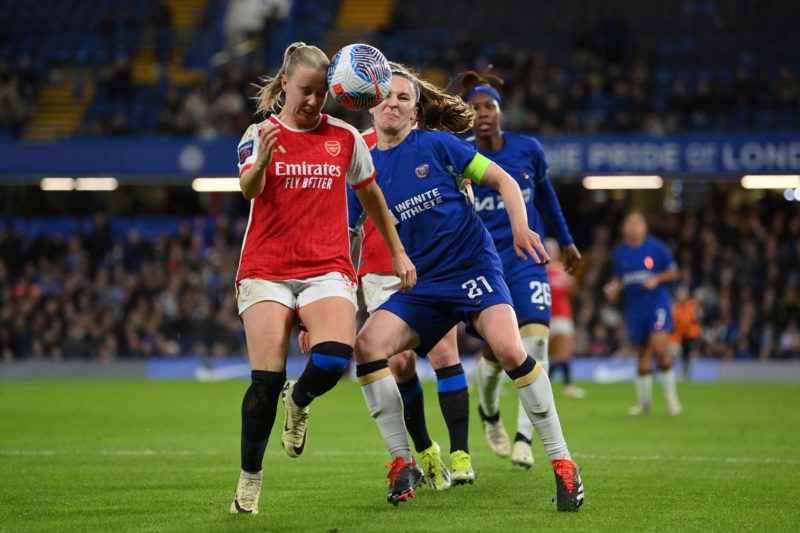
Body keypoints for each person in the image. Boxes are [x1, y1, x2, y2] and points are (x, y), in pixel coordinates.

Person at [351, 63, 584, 511]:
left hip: (473, 268)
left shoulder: (438, 145)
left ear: (415, 111)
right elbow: (348, 234)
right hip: (424, 283)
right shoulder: (363, 169)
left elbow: (503, 180)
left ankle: (563, 463)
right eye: (386, 96)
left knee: (514, 351)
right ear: (371, 106)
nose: (393, 103)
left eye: (403, 97)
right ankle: (403, 461)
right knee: (367, 346)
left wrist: (519, 227)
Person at [229, 42, 415, 515]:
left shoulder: (346, 138)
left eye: (320, 93)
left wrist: (397, 252)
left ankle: (302, 396)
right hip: (266, 269)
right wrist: (264, 162)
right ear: (285, 84)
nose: (313, 102)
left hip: (327, 268)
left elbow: (372, 197)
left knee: (334, 358)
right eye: (305, 92)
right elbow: (247, 188)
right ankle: (250, 480)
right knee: (264, 382)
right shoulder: (259, 133)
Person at [456, 69, 582, 470]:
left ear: (501, 111)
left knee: (536, 344)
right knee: (497, 352)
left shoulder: (528, 149)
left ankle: (525, 437)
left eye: (489, 105)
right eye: (474, 107)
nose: (482, 113)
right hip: (482, 263)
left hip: (527, 259)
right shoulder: (458, 154)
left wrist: (567, 240)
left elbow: (546, 198)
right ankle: (489, 411)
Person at [349, 124, 470, 490]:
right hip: (378, 267)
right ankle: (426, 452)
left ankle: (460, 454)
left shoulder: (426, 142)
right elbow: (348, 216)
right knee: (399, 363)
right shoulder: (359, 145)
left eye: (399, 97)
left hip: (430, 264)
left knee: (445, 352)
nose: (391, 104)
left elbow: (461, 195)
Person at [603, 210, 682, 416]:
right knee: (642, 354)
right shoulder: (619, 253)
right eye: (629, 223)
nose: (633, 227)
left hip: (657, 305)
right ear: (624, 228)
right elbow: (618, 279)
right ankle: (644, 404)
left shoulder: (656, 247)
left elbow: (674, 271)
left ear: (644, 227)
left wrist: (657, 279)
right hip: (634, 308)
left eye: (637, 223)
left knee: (659, 349)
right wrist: (613, 288)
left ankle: (671, 399)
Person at [545, 237, 585, 399]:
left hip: (564, 315)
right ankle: (560, 384)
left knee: (564, 353)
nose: (549, 251)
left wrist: (573, 284)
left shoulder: (564, 270)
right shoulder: (538, 271)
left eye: (552, 248)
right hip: (549, 316)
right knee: (563, 353)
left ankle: (553, 384)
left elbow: (574, 293)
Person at [669, 284, 702, 380]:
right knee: (673, 354)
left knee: (686, 355)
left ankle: (685, 372)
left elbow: (698, 319)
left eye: (683, 293)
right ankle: (672, 372)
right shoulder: (675, 307)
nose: (681, 296)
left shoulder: (692, 305)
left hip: (690, 335)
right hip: (677, 336)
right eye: (680, 293)